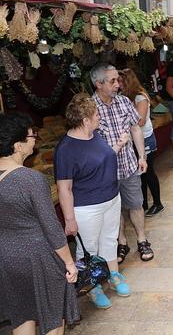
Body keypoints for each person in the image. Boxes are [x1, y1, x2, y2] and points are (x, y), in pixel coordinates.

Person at [0, 113, 80, 335]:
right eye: (31, 136)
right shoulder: (30, 180)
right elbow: (52, 228)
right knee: (53, 316)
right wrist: (69, 262)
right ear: (18, 145)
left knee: (22, 316)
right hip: (38, 259)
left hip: (6, 259)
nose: (35, 139)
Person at [55, 94, 131, 309]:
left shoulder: (94, 135)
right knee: (87, 248)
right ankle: (92, 286)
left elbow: (102, 159)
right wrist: (70, 220)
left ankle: (114, 275)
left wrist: (118, 145)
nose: (100, 118)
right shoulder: (66, 149)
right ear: (85, 120)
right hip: (87, 208)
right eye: (97, 114)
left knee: (109, 240)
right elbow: (64, 188)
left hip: (111, 199)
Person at [90, 63, 154, 264]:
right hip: (105, 172)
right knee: (113, 209)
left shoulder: (124, 102)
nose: (118, 84)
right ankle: (122, 242)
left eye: (118, 79)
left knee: (136, 203)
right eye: (113, 81)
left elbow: (136, 129)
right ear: (98, 84)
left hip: (128, 164)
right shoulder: (90, 108)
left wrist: (142, 156)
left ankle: (142, 240)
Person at [120, 69, 164, 216]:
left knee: (148, 172)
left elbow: (141, 121)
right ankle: (143, 203)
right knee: (140, 174)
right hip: (133, 140)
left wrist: (122, 120)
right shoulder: (123, 96)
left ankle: (157, 203)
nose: (118, 84)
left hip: (145, 139)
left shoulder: (140, 97)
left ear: (128, 81)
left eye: (120, 81)